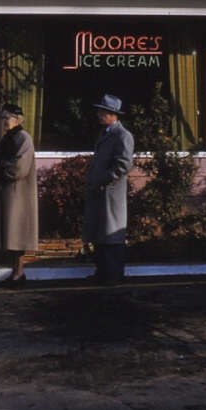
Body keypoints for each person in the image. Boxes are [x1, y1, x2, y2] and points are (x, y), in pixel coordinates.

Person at [82, 93, 134, 286]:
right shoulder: (104, 134)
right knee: (100, 233)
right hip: (99, 191)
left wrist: (105, 179)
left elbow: (124, 164)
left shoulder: (123, 135)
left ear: (113, 114)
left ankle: (113, 274)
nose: (99, 114)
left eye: (103, 111)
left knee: (112, 235)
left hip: (111, 193)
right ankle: (102, 272)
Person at [0, 103, 38, 287]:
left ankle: (19, 273)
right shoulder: (7, 138)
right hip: (7, 193)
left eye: (7, 117)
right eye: (3, 118)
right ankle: (14, 272)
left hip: (19, 194)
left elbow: (20, 168)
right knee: (10, 236)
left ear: (18, 119)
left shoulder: (24, 138)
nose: (4, 121)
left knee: (17, 235)